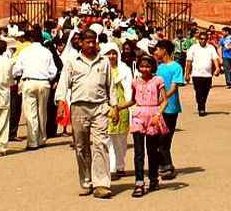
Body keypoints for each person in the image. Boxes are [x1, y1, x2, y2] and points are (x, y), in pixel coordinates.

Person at [56, 31, 113, 199]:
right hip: (79, 107)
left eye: (93, 42)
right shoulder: (72, 61)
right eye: (88, 42)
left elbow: (110, 85)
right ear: (80, 43)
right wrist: (61, 102)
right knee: (81, 146)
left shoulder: (104, 61)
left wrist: (115, 106)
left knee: (100, 144)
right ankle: (87, 181)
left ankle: (101, 184)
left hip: (100, 107)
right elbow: (63, 83)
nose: (91, 45)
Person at [116, 54, 166, 197]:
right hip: (138, 116)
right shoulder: (135, 82)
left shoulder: (158, 80)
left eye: (147, 66)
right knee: (138, 152)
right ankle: (139, 182)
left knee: (152, 150)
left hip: (153, 116)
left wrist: (158, 114)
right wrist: (118, 107)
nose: (144, 69)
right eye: (142, 66)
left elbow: (164, 101)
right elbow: (133, 100)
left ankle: (153, 179)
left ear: (152, 67)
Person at [12, 29, 57, 150]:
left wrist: (18, 75)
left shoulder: (25, 52)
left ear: (30, 39)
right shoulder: (47, 52)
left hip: (29, 82)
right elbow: (53, 71)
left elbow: (17, 70)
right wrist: (47, 78)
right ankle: (42, 139)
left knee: (30, 113)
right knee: (42, 112)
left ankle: (33, 141)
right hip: (43, 82)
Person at [153, 40, 185, 180]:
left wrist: (163, 98)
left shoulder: (176, 67)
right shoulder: (159, 67)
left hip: (171, 108)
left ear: (164, 50)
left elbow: (174, 87)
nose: (155, 52)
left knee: (165, 139)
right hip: (157, 108)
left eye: (157, 49)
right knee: (157, 139)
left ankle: (168, 167)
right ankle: (163, 165)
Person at [103, 43, 133, 179]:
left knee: (121, 139)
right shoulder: (100, 69)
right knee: (108, 138)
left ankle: (120, 165)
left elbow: (129, 89)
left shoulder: (124, 69)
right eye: (108, 53)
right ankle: (112, 167)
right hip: (106, 105)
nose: (111, 56)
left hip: (122, 105)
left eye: (114, 53)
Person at [184, 31, 220, 116]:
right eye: (201, 39)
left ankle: (201, 104)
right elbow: (189, 61)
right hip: (196, 74)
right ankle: (201, 108)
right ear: (198, 39)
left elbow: (215, 58)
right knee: (199, 92)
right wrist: (187, 74)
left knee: (205, 92)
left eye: (205, 39)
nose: (203, 41)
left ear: (207, 40)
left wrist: (217, 68)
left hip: (208, 75)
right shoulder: (193, 48)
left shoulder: (210, 48)